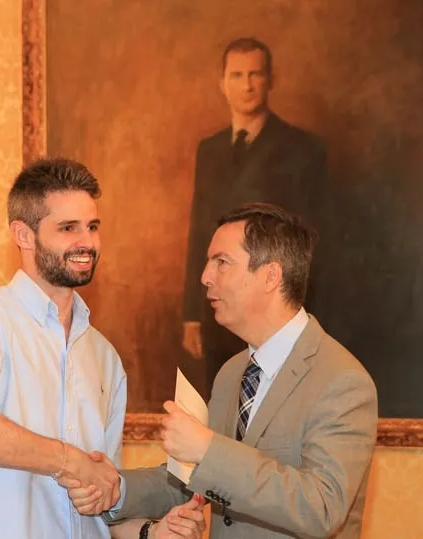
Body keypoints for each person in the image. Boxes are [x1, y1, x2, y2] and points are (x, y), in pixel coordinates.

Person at [0, 157, 205, 539]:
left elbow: (102, 502)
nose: (87, 242)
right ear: (23, 235)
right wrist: (69, 460)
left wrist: (155, 533)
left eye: (92, 227)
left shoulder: (104, 356)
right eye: (68, 228)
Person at [85, 203, 378, 538]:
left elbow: (322, 508)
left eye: (221, 262)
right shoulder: (231, 373)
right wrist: (113, 487)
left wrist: (208, 449)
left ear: (271, 275)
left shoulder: (342, 381)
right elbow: (193, 478)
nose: (205, 277)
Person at [181, 37, 328, 395]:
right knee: (222, 414)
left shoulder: (302, 149)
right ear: (223, 84)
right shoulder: (210, 150)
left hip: (273, 310)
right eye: (237, 75)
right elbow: (200, 231)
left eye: (255, 75)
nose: (246, 85)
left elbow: (309, 241)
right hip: (219, 311)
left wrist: (299, 310)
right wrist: (191, 313)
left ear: (270, 80)